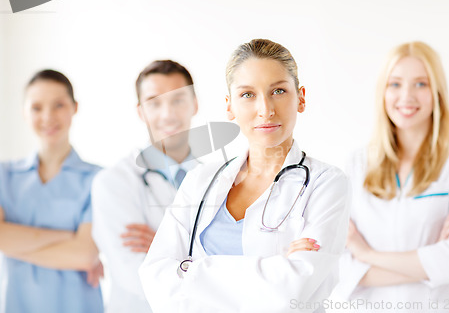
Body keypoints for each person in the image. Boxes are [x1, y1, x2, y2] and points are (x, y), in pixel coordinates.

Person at [139, 39, 351, 313]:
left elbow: (292, 291)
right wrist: (276, 266)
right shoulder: (200, 179)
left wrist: (190, 270)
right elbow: (156, 278)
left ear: (301, 97)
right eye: (248, 94)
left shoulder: (326, 183)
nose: (265, 109)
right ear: (230, 106)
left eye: (278, 91)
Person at [335, 42, 449, 312]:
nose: (407, 96)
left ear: (437, 92)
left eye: (421, 84)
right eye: (395, 84)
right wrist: (431, 261)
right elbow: (340, 268)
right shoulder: (358, 162)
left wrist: (367, 255)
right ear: (383, 92)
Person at [91, 60, 200, 313]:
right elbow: (137, 276)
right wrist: (201, 260)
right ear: (140, 112)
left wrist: (164, 249)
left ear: (195, 104)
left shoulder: (221, 179)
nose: (167, 114)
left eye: (178, 100)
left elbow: (237, 263)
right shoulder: (113, 183)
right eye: (154, 102)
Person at [0, 70, 104, 313]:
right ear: (24, 112)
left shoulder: (98, 178)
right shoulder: (4, 175)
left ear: (74, 107)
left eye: (58, 105)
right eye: (36, 107)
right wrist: (70, 238)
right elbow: (82, 251)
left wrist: (11, 241)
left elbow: (85, 255)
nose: (48, 116)